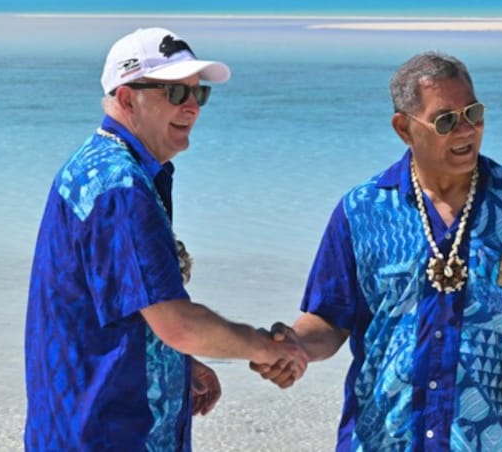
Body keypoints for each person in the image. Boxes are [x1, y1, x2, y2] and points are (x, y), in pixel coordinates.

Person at [252, 51, 502, 451]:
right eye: (446, 120)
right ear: (404, 128)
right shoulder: (361, 211)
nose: (465, 131)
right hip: (379, 440)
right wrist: (295, 348)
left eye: (473, 114)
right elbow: (330, 319)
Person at [24, 27, 308, 451]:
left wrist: (179, 365)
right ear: (126, 98)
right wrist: (265, 347)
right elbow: (177, 324)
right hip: (106, 435)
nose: (193, 107)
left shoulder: (110, 169)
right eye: (175, 93)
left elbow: (116, 304)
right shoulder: (120, 186)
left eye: (199, 94)